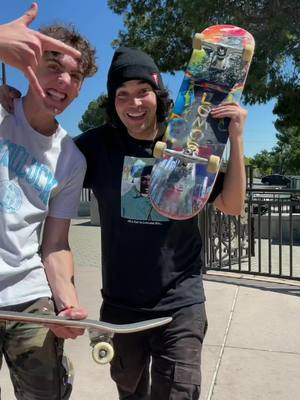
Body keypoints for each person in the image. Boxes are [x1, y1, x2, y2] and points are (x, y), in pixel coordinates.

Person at [74, 46, 247, 399]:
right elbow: (44, 161)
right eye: (122, 95)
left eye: (143, 92)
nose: (134, 104)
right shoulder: (97, 146)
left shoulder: (188, 141)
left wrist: (236, 139)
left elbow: (231, 204)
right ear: (113, 102)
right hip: (122, 305)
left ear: (158, 94)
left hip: (180, 303)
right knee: (131, 393)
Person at [0, 3, 97, 399]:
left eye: (75, 76)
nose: (64, 81)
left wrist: (68, 305)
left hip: (27, 296)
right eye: (54, 67)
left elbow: (55, 243)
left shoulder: (71, 159)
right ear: (28, 65)